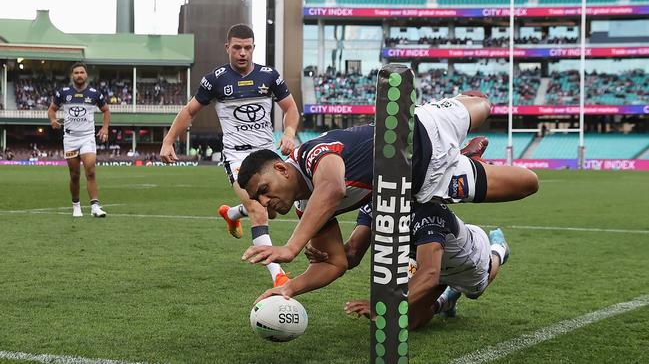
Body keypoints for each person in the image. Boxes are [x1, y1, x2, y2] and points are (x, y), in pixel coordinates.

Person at [238, 91, 538, 296]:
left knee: (482, 104)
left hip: (426, 127)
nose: (265, 203)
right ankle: (466, 160)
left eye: (264, 190)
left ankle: (463, 141)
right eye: (258, 198)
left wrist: (291, 247)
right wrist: (288, 288)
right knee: (528, 183)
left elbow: (332, 188)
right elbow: (335, 263)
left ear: (281, 169)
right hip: (429, 181)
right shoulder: (308, 208)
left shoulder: (311, 153)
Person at [160, 24, 299, 287]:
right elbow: (189, 112)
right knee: (258, 210)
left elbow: (290, 108)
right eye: (237, 47)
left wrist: (289, 132)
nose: (243, 53)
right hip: (237, 157)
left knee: (273, 210)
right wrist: (168, 141)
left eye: (248, 47)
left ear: (254, 47)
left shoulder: (269, 76)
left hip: (267, 155)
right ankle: (278, 276)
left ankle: (232, 214)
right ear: (228, 48)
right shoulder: (215, 80)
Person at [303, 203, 509, 330]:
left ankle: (498, 249)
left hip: (466, 263)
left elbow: (429, 274)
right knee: (409, 323)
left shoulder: (427, 210)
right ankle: (446, 300)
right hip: (425, 261)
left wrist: (383, 306)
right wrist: (329, 256)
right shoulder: (374, 203)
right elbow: (352, 253)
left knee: (475, 292)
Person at [48, 62, 110, 218]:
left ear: (86, 75)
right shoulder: (63, 92)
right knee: (74, 174)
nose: (79, 75)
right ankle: (76, 205)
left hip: (87, 137)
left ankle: (95, 206)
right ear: (72, 75)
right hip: (70, 138)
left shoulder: (95, 93)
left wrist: (105, 128)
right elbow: (52, 109)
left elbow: (106, 110)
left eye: (82, 72)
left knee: (90, 170)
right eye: (76, 73)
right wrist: (53, 120)